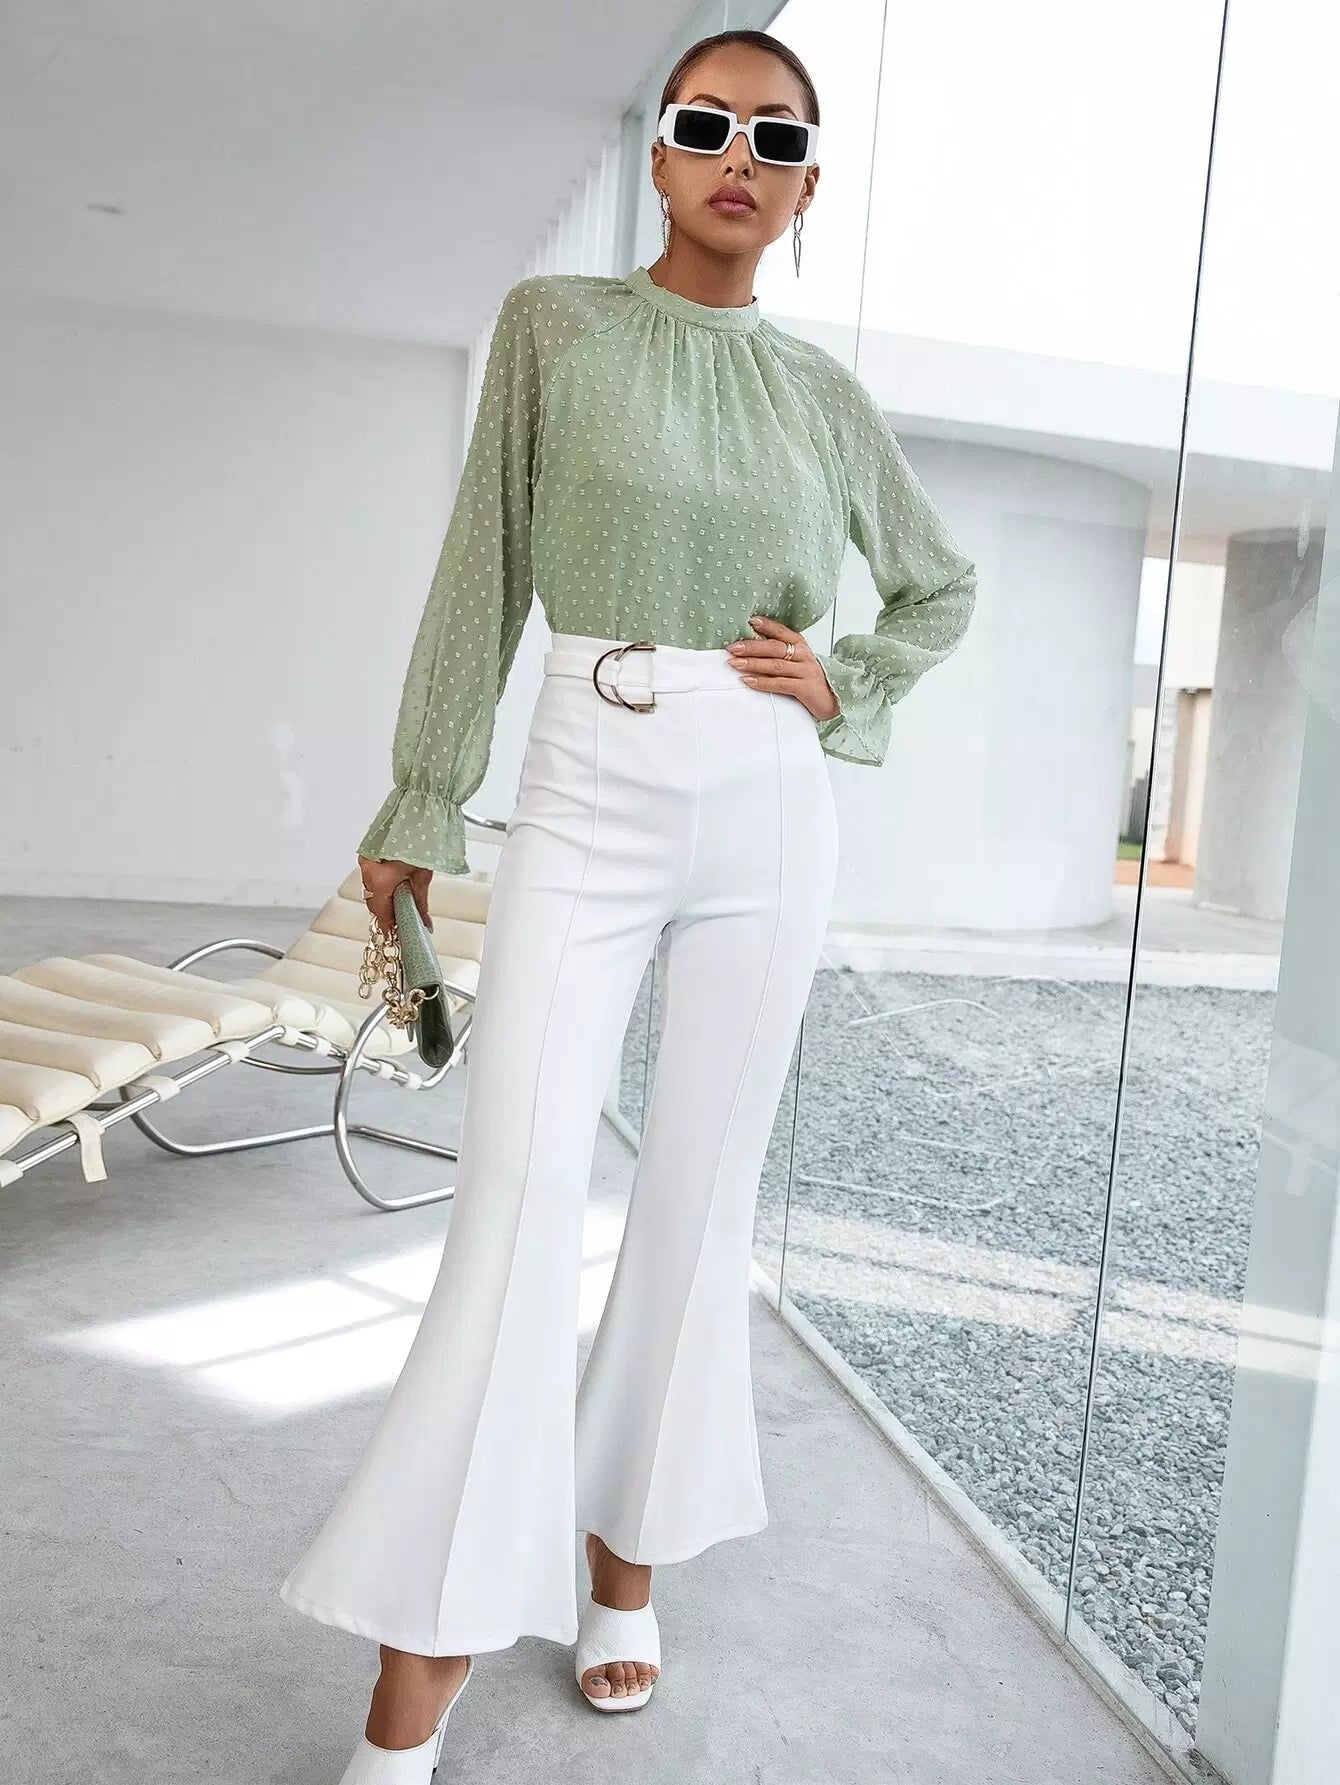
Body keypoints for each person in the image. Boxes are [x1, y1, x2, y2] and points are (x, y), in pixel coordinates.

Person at [279, 26, 977, 1782]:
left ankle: (625, 1559)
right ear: (658, 159)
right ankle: (430, 1641)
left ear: (807, 191)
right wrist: (423, 792)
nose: (739, 154)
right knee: (516, 1194)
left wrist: (845, 678)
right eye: (705, 123)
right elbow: (483, 567)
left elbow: (939, 585)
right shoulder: (557, 331)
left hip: (767, 802)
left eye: (776, 138)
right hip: (587, 775)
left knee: (696, 1198)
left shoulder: (822, 395)